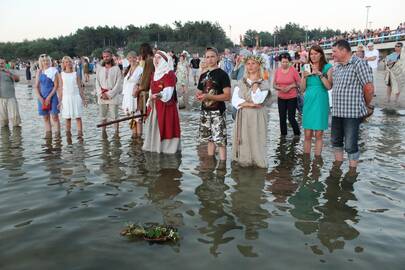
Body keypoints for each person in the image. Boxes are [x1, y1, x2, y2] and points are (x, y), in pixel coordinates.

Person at [331, 39, 374, 169]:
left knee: (350, 145)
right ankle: (337, 168)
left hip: (352, 113)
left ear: (344, 51)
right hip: (337, 112)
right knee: (336, 142)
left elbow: (369, 88)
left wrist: (365, 105)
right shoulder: (337, 67)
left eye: (334, 51)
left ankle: (352, 173)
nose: (332, 55)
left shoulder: (359, 64)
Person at [231, 55, 270, 168]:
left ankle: (257, 162)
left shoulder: (264, 83)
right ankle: (245, 162)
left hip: (257, 116)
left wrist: (255, 84)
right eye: (248, 64)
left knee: (257, 137)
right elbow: (235, 101)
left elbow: (258, 99)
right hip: (243, 115)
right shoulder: (241, 82)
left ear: (259, 66)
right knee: (244, 139)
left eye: (253, 63)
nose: (250, 66)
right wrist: (251, 104)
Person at [196, 47, 231, 161]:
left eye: (212, 56)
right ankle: (210, 164)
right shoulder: (203, 75)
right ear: (204, 59)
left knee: (220, 141)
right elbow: (199, 93)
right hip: (205, 112)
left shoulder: (223, 75)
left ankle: (222, 167)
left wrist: (209, 96)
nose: (210, 59)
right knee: (209, 140)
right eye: (207, 57)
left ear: (217, 58)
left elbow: (227, 96)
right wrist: (200, 96)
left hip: (218, 112)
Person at [142, 50, 181, 154]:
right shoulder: (154, 74)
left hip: (166, 106)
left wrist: (159, 95)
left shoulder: (169, 74)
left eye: (159, 58)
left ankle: (168, 149)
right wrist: (150, 98)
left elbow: (168, 92)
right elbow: (151, 89)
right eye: (155, 57)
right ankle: (154, 147)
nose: (155, 60)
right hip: (155, 106)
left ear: (164, 60)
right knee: (154, 126)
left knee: (166, 127)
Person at [300, 45, 333, 157]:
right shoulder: (305, 67)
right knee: (307, 133)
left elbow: (329, 87)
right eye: (311, 54)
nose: (313, 56)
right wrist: (304, 77)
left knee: (319, 133)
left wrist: (320, 74)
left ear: (321, 54)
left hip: (321, 100)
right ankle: (306, 159)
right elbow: (302, 89)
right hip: (309, 99)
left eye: (316, 53)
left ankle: (317, 160)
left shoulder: (328, 67)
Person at [273, 53, 301, 136]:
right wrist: (280, 88)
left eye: (286, 62)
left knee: (291, 118)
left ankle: (297, 134)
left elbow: (299, 83)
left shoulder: (293, 70)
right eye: (282, 62)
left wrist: (291, 86)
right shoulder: (277, 71)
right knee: (282, 118)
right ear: (280, 62)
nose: (284, 64)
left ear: (289, 62)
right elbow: (274, 85)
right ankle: (283, 137)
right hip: (281, 97)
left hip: (292, 97)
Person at [95, 48, 122, 136]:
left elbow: (118, 84)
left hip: (112, 96)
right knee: (103, 117)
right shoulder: (99, 68)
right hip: (102, 96)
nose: (105, 58)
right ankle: (104, 134)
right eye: (104, 57)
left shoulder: (116, 68)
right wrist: (101, 93)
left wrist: (109, 94)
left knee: (115, 117)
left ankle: (116, 134)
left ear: (111, 57)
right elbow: (97, 82)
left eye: (107, 56)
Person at [34, 54, 61, 139]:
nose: (46, 62)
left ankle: (57, 136)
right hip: (41, 98)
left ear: (50, 61)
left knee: (54, 117)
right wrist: (40, 98)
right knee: (46, 118)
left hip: (52, 97)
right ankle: (48, 136)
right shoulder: (39, 72)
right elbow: (36, 86)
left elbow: (56, 86)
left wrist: (49, 97)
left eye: (47, 60)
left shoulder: (54, 71)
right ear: (41, 62)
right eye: (43, 61)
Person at [59, 56, 86, 139]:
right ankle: (68, 137)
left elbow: (80, 87)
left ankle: (80, 136)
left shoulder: (76, 74)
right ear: (64, 64)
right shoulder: (61, 74)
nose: (68, 63)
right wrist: (60, 101)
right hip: (66, 98)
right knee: (68, 119)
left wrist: (83, 99)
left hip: (76, 97)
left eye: (70, 62)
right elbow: (60, 88)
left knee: (78, 117)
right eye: (66, 62)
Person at [122, 51, 143, 137]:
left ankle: (139, 137)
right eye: (130, 58)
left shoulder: (140, 69)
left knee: (138, 117)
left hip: (135, 96)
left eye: (133, 57)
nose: (132, 59)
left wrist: (137, 88)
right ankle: (134, 136)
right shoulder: (128, 70)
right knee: (131, 118)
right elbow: (125, 83)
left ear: (136, 58)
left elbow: (142, 82)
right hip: (127, 96)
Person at [135, 43, 154, 123]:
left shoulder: (149, 61)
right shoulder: (151, 60)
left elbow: (146, 79)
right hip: (150, 91)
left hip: (147, 92)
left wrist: (138, 90)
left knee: (145, 118)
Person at [0, 58, 21, 128]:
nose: (1, 64)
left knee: (15, 122)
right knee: (3, 123)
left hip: (11, 97)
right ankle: (5, 138)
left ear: (6, 64)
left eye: (2, 63)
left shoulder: (10, 71)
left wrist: (8, 72)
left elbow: (17, 79)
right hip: (1, 99)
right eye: (0, 63)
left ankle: (17, 137)